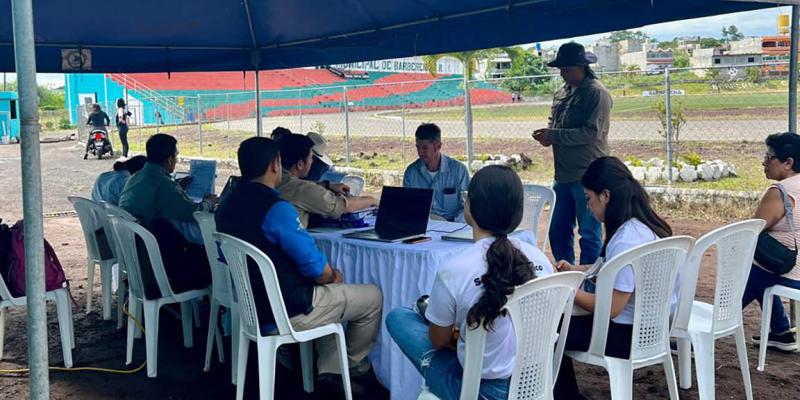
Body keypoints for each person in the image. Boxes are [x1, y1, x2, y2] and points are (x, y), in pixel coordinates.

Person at [215, 136, 382, 395]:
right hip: (290, 308)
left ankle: (331, 372)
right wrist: (331, 276)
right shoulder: (276, 209)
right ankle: (352, 369)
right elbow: (316, 268)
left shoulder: (226, 205)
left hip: (252, 307)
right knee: (372, 297)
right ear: (274, 165)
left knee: (334, 299)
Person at [386, 165, 553, 400]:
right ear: (518, 212)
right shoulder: (540, 260)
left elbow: (438, 341)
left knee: (399, 317)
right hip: (533, 383)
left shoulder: (455, 269)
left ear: (469, 207)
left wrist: (457, 335)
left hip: (478, 391)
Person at [552, 156, 672, 399]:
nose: (587, 206)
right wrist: (575, 269)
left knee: (545, 331)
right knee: (555, 326)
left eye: (589, 198)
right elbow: (608, 269)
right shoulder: (641, 226)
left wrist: (569, 291)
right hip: (651, 328)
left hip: (624, 335)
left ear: (605, 195)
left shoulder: (627, 239)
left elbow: (612, 308)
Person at [532, 42, 612, 267]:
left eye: (567, 68)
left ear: (581, 67)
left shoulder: (596, 93)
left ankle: (589, 280)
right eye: (561, 68)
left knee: (589, 232)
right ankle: (565, 275)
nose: (562, 73)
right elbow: (554, 122)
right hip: (563, 174)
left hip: (588, 174)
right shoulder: (563, 92)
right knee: (557, 228)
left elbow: (591, 133)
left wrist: (554, 135)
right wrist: (547, 135)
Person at [119, 134, 217, 295]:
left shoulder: (138, 176)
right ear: (170, 159)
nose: (176, 159)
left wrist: (176, 187)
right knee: (210, 256)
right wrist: (209, 202)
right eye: (176, 155)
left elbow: (158, 198)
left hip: (136, 252)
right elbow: (192, 214)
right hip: (154, 260)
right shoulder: (162, 183)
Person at [743, 132, 800, 351]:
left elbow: (750, 231)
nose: (764, 162)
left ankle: (708, 327)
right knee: (761, 271)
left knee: (749, 269)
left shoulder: (781, 192)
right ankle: (780, 331)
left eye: (769, 157)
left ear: (788, 163)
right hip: (791, 269)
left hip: (787, 270)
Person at [276, 133, 377, 227]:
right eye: (311, 158)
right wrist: (371, 200)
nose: (312, 162)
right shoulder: (302, 189)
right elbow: (342, 206)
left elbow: (295, 184)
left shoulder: (274, 179)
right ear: (300, 164)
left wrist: (326, 185)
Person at [403, 123, 470, 221]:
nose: (420, 152)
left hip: (454, 226)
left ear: (438, 146)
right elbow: (409, 207)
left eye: (425, 148)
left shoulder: (459, 171)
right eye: (418, 147)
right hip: (425, 225)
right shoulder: (411, 173)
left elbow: (467, 207)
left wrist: (453, 226)